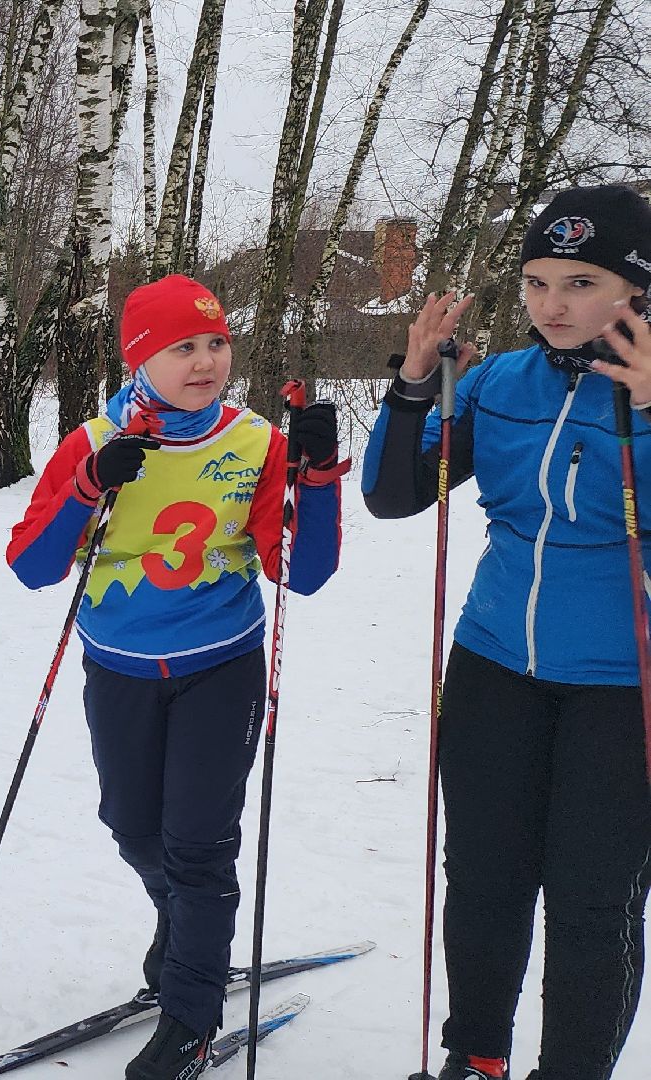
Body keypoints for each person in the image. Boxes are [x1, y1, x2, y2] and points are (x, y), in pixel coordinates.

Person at [6, 273, 345, 1079]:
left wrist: (317, 477)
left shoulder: (256, 442)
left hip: (219, 665)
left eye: (215, 343)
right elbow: (31, 565)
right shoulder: (94, 442)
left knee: (199, 848)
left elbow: (302, 572)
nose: (203, 361)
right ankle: (184, 925)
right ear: (138, 358)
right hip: (117, 665)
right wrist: (90, 487)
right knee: (132, 828)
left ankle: (190, 1016)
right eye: (180, 347)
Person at [363, 183, 651, 1080]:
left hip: (620, 687)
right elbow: (394, 494)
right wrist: (414, 386)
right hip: (492, 666)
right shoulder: (498, 382)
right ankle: (473, 1057)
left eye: (578, 282)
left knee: (590, 904)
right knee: (482, 877)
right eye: (534, 282)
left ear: (635, 290)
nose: (551, 306)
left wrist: (646, 418)